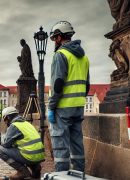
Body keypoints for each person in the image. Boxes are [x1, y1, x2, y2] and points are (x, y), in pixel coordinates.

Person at [48, 21, 90, 172]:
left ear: (59, 37)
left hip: (63, 107)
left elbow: (57, 84)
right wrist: (78, 101)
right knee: (77, 143)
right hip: (78, 107)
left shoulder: (61, 54)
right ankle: (79, 174)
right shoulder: (83, 57)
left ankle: (61, 176)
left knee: (60, 145)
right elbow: (87, 85)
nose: (53, 42)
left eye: (54, 39)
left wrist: (52, 107)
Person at [0, 107, 44, 179]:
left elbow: (5, 144)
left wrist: (6, 137)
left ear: (8, 117)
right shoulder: (28, 124)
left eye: (5, 120)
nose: (5, 122)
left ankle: (23, 171)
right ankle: (35, 167)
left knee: (0, 150)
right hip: (39, 156)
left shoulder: (14, 126)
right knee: (22, 147)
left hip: (30, 156)